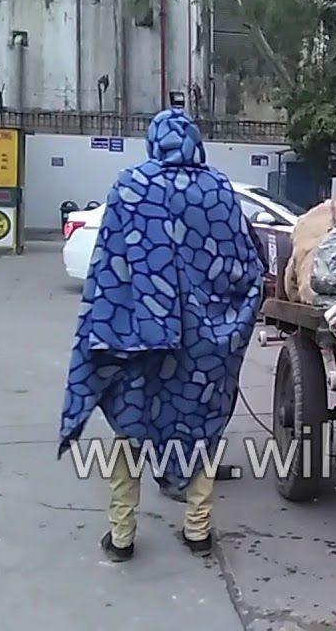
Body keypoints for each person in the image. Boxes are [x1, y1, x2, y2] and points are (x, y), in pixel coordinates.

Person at [57, 108, 265, 562]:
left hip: (140, 340)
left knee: (132, 428)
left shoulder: (131, 186)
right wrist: (231, 319)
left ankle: (122, 536)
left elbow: (109, 268)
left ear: (154, 142)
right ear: (195, 141)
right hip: (203, 345)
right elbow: (245, 268)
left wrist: (109, 324)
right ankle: (197, 531)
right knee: (202, 430)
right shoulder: (218, 190)